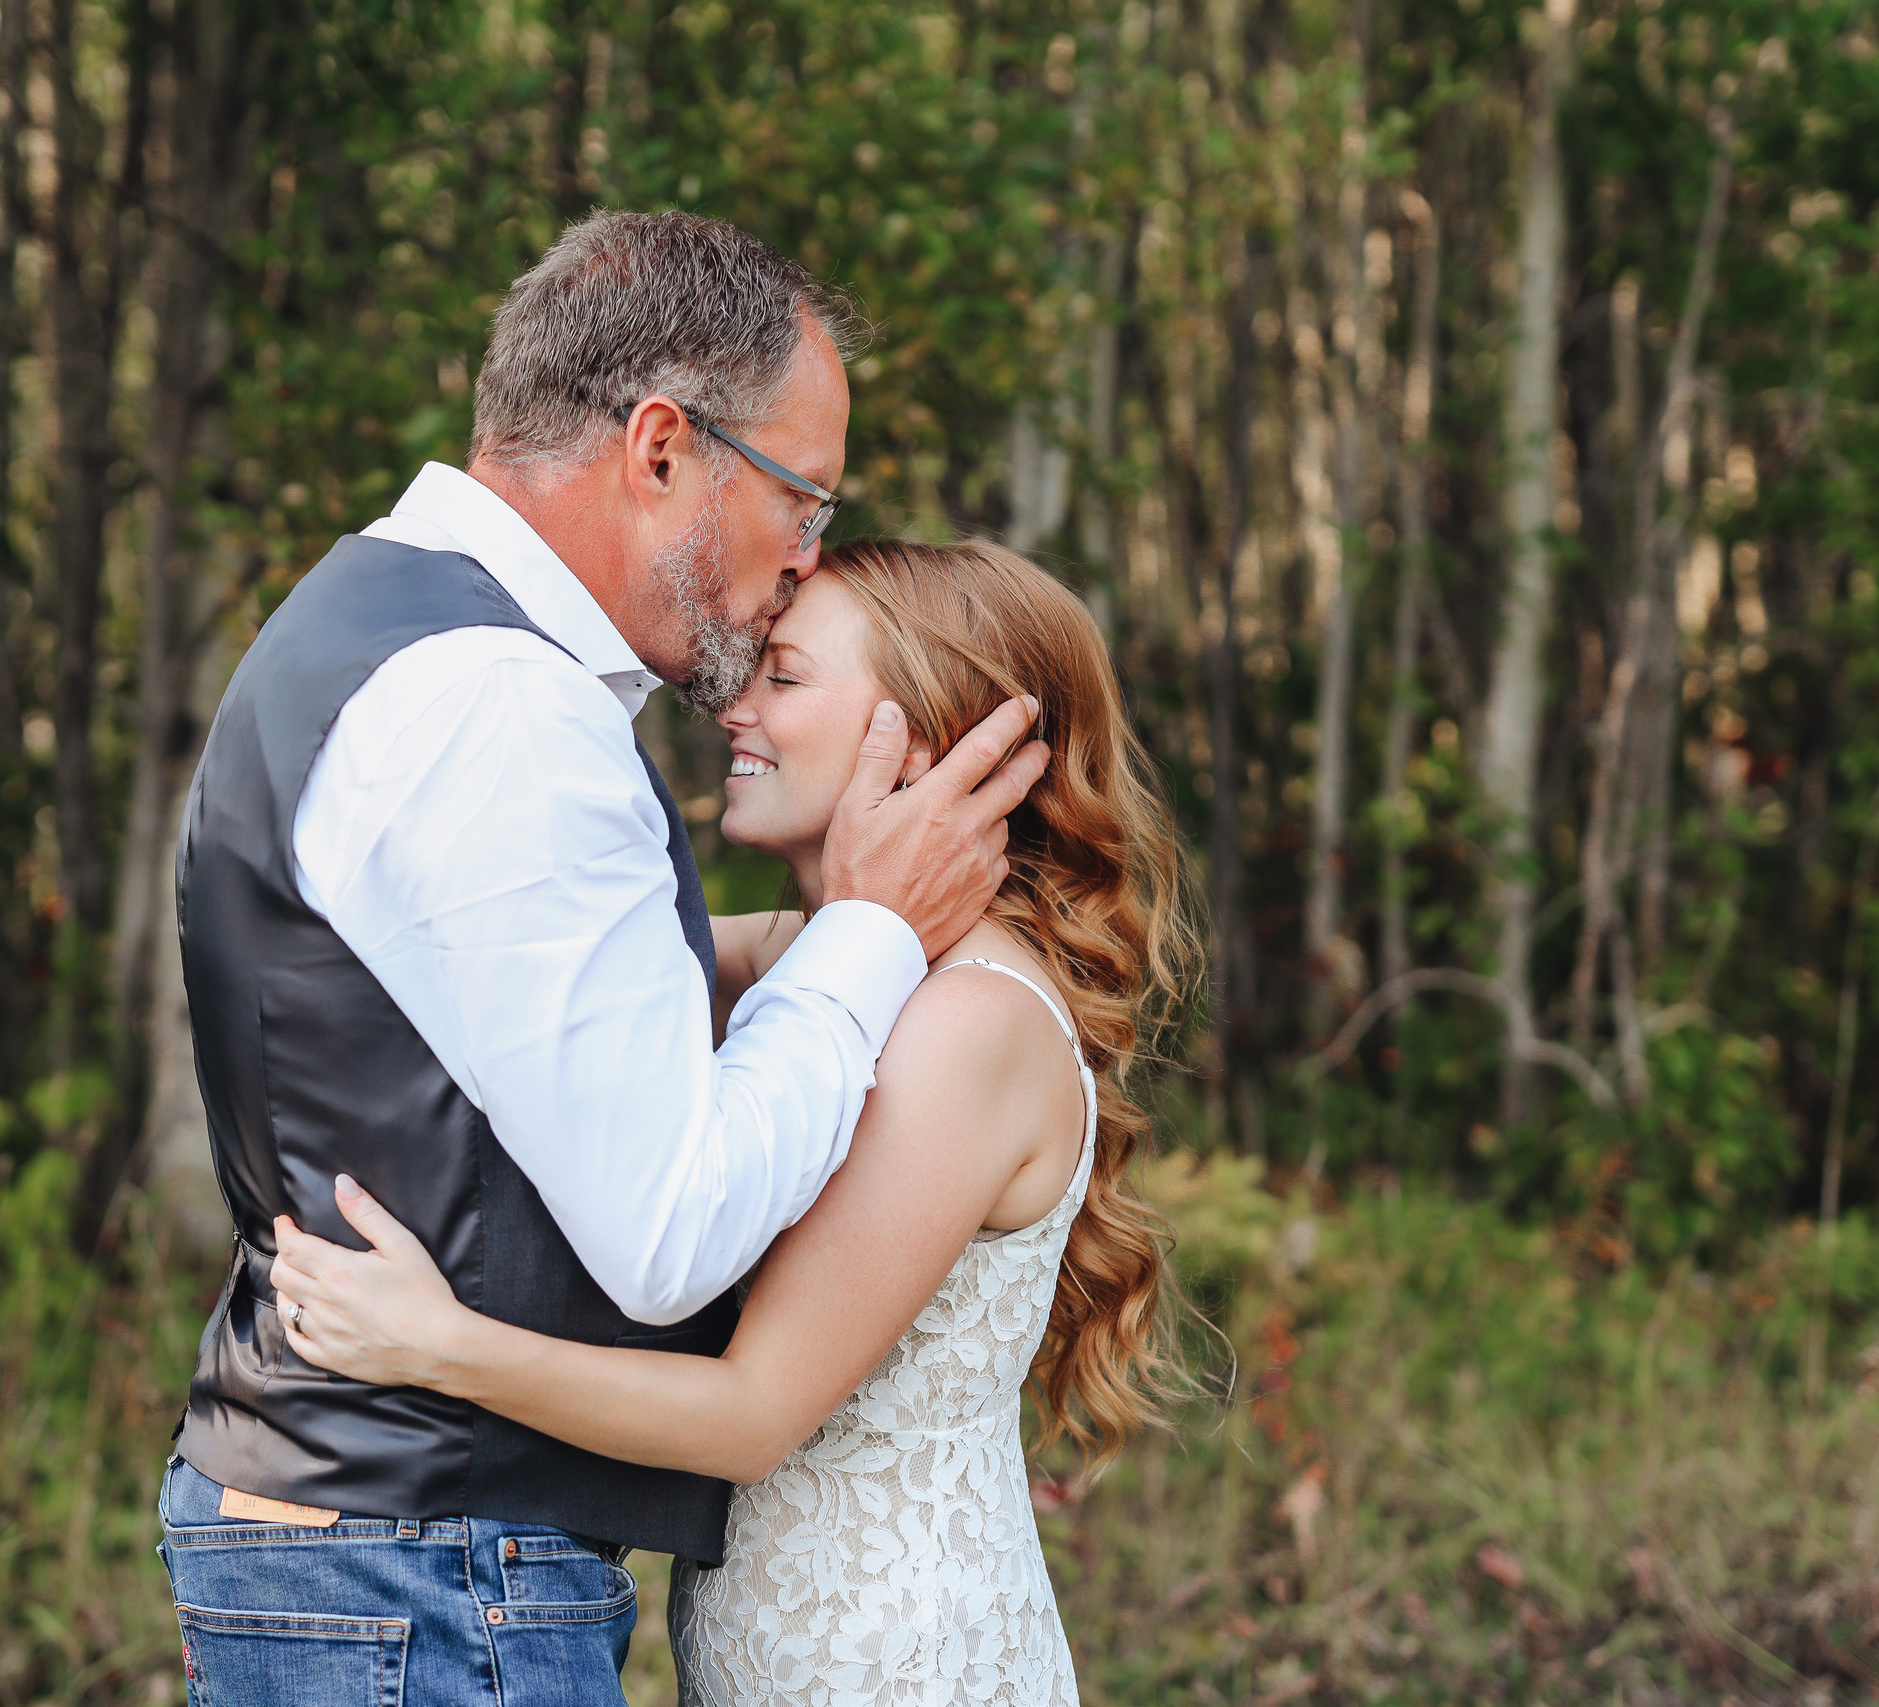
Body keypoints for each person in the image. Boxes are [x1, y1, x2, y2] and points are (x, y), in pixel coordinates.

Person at [154, 212, 1049, 1707]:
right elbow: (672, 1230)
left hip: (363, 1544)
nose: (806, 553)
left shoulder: (387, 630)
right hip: (418, 1564)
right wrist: (877, 935)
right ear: (660, 450)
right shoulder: (505, 705)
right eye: (802, 497)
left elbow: (509, 1023)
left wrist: (847, 934)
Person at [271, 539, 1198, 1706]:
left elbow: (752, 1417)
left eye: (787, 679)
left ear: (931, 740)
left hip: (904, 1674)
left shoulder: (967, 1023)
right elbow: (555, 966)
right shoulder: (843, 957)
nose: (733, 705)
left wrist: (436, 1345)